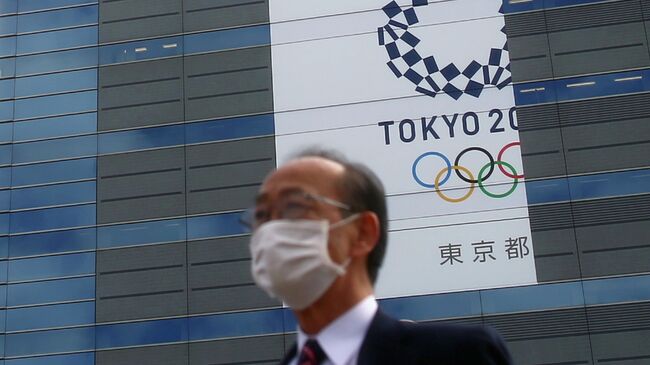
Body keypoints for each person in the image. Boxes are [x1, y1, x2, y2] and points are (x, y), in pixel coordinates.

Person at [246, 149, 513, 365]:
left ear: (363, 232)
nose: (271, 229)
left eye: (294, 207)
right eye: (261, 216)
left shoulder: (459, 355)